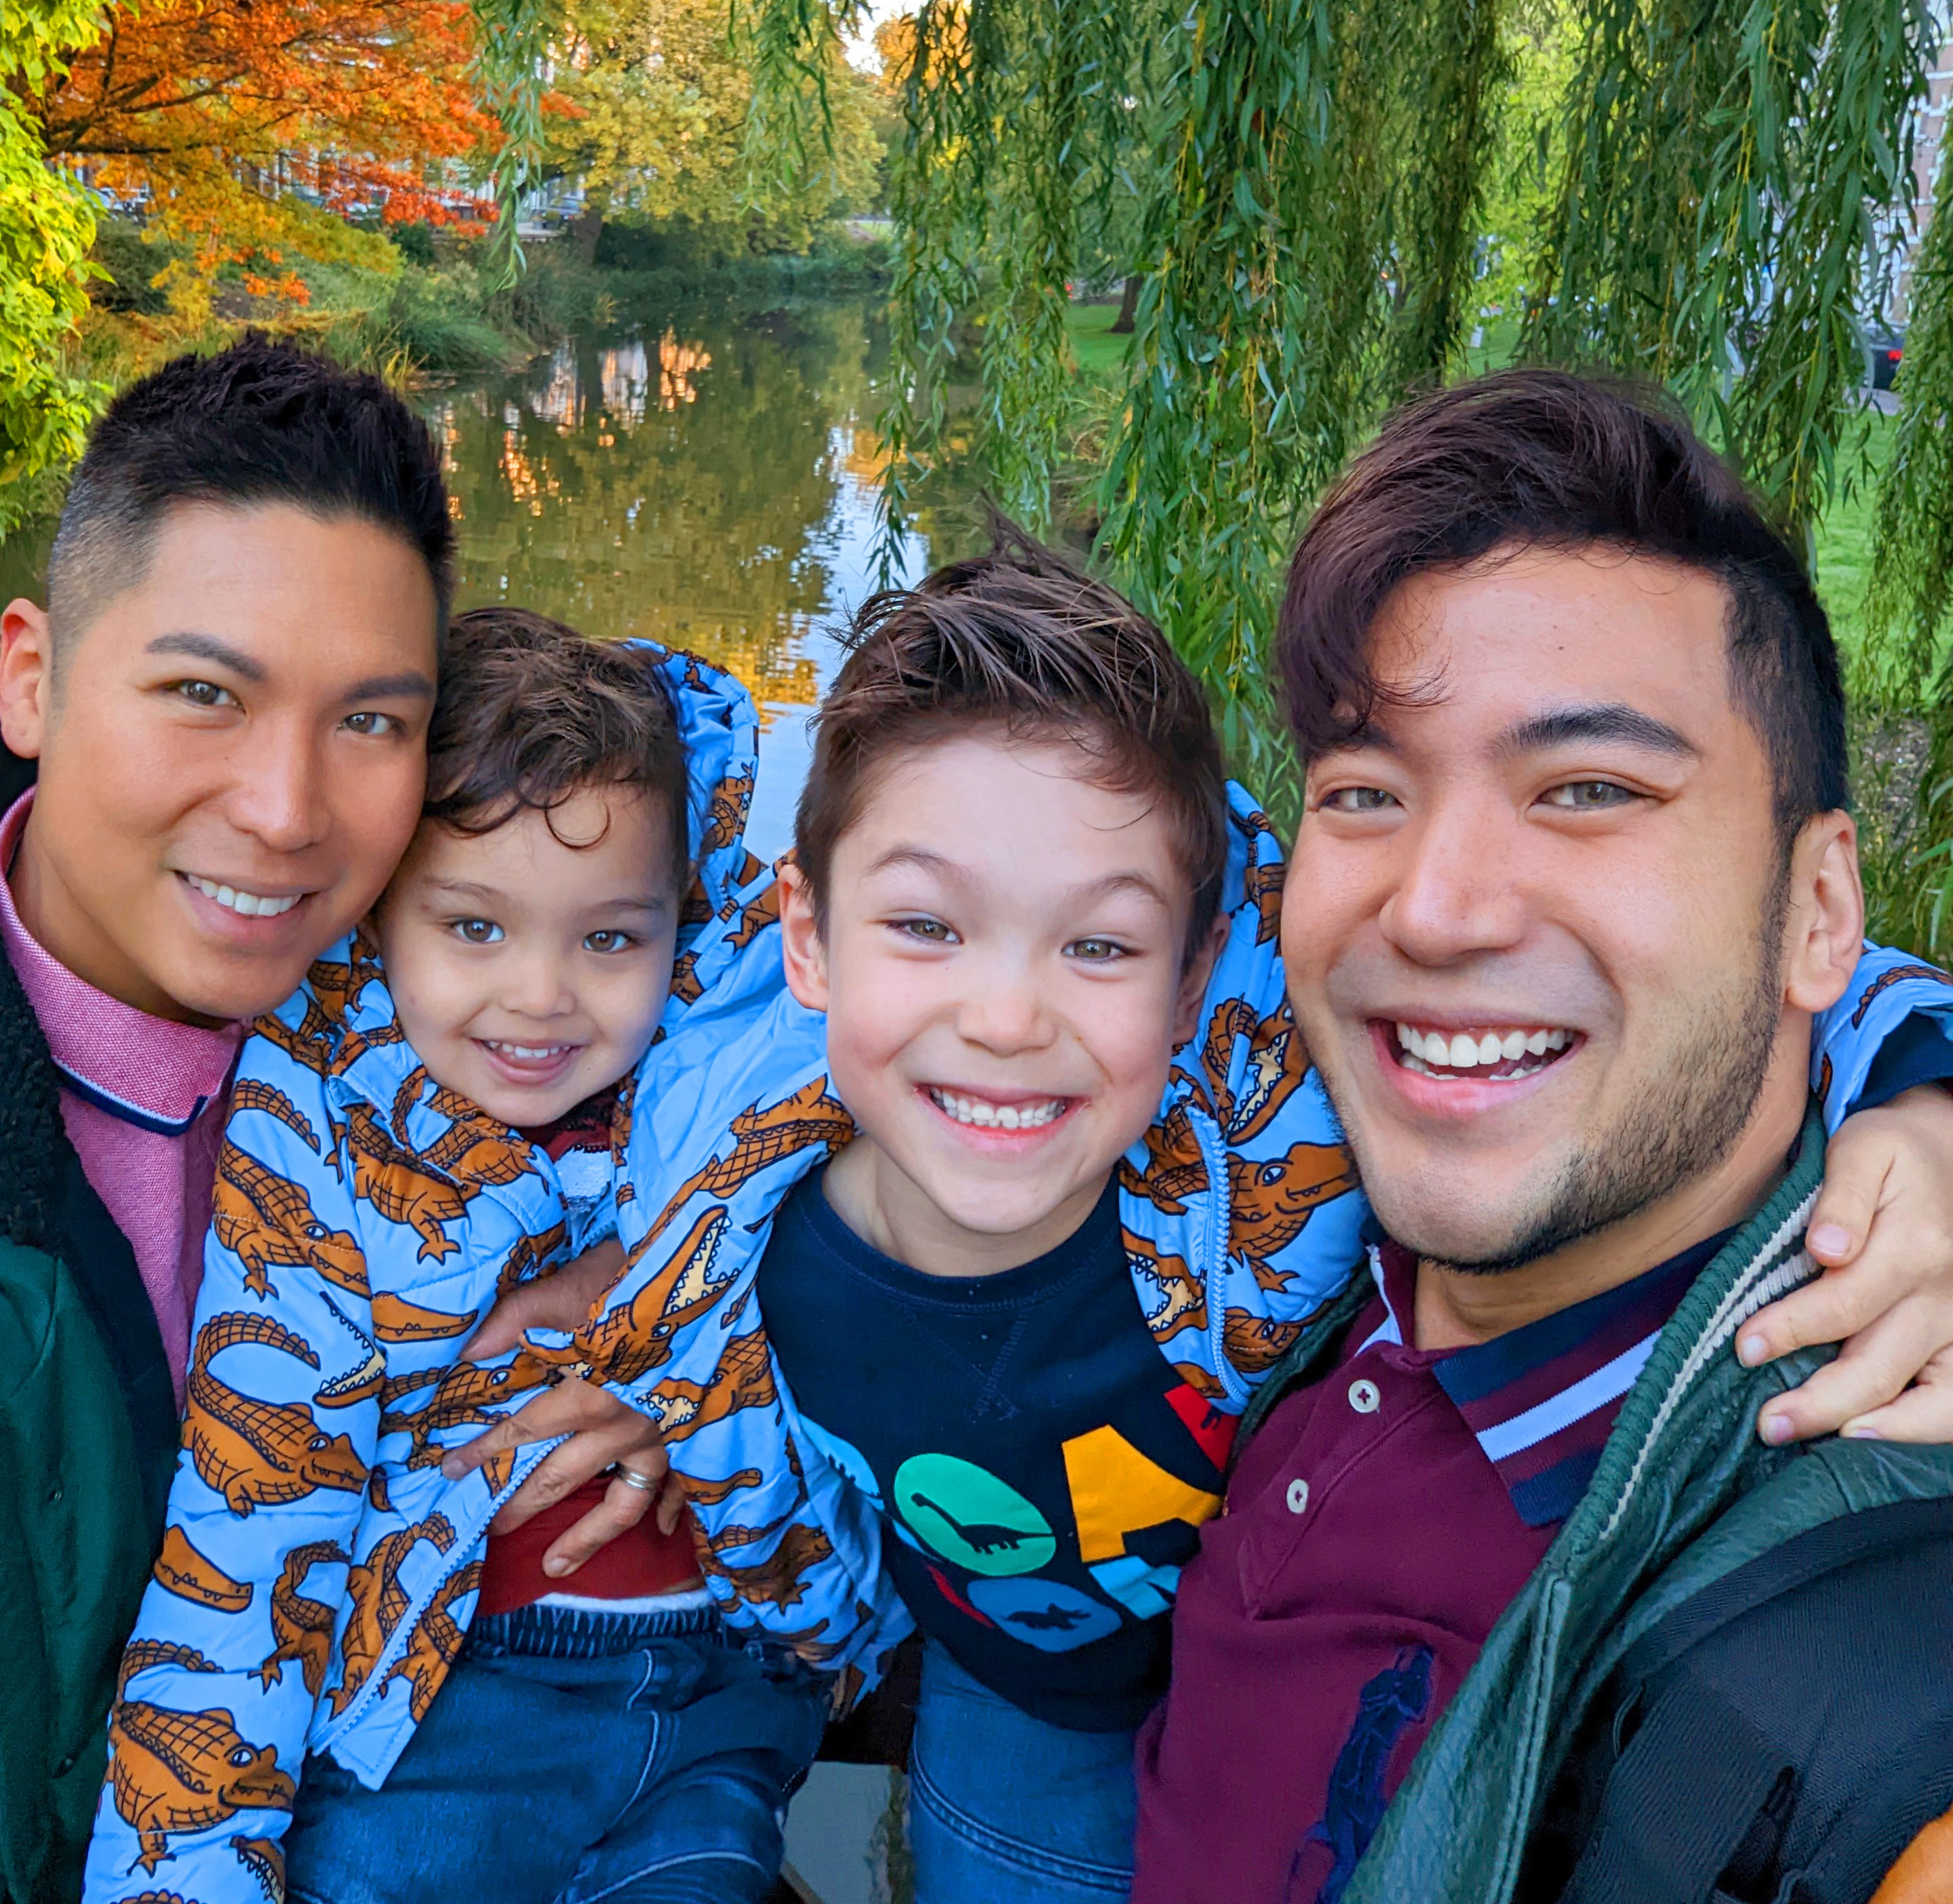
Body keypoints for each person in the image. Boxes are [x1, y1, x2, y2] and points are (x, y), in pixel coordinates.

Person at [533, 523, 1953, 1904]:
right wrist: (639, 1374)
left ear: (1202, 963)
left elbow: (1726, 985)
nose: (1009, 1018)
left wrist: (1923, 1099)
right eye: (925, 929)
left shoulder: (1302, 1146)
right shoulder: (743, 1240)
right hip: (1009, 1704)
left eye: (1098, 946)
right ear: (809, 939)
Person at [1130, 370, 1953, 1904]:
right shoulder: (1269, 1183)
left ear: (1820, 907)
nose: (1435, 911)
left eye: (1588, 788)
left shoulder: (1854, 1651)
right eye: (1365, 790)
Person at [82, 608, 827, 1904]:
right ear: (379, 917)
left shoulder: (761, 1054)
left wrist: (661, 1299)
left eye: (610, 938)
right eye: (474, 929)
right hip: (440, 1713)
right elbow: (254, 1526)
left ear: (682, 921)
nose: (542, 997)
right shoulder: (322, 1136)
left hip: (720, 1702)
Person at [0, 336, 450, 1904]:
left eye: (375, 724)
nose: (285, 808)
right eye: (204, 692)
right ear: (32, 677)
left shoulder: (489, 1043)